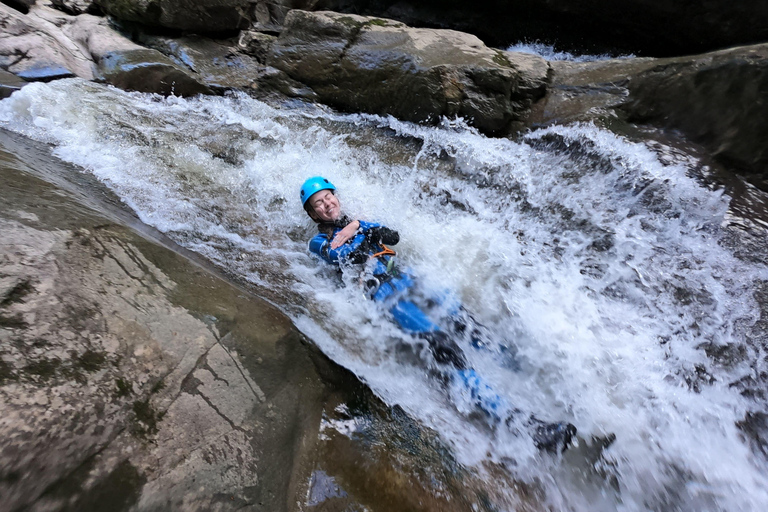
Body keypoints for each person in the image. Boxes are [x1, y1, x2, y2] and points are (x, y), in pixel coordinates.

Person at [301, 176, 576, 452]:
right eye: (319, 203)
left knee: (468, 325)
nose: (327, 204)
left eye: (328, 197)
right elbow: (345, 255)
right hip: (385, 296)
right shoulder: (317, 241)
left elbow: (392, 236)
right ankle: (521, 427)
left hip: (407, 277)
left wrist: (358, 224)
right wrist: (359, 230)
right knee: (445, 348)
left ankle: (536, 377)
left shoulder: (357, 221)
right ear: (313, 214)